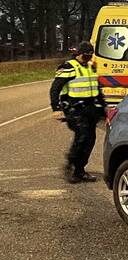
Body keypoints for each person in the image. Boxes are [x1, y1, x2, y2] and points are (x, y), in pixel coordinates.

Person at [49, 41, 106, 183]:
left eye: (90, 56)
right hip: (74, 109)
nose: (88, 58)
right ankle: (70, 167)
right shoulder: (68, 67)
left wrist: (104, 107)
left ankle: (80, 170)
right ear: (78, 54)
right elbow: (55, 88)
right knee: (82, 137)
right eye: (86, 56)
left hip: (90, 108)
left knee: (90, 140)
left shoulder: (91, 67)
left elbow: (96, 89)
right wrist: (56, 108)